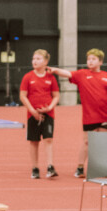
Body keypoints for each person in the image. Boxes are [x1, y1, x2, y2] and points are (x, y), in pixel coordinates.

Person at [61, 48, 107, 179]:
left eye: (93, 59)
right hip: (89, 116)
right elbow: (67, 73)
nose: (90, 61)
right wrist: (53, 70)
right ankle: (80, 168)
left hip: (105, 115)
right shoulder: (82, 74)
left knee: (103, 142)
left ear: (100, 62)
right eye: (88, 59)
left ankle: (103, 168)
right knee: (87, 142)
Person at [20, 49, 61, 179]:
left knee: (48, 139)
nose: (35, 61)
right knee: (34, 141)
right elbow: (23, 96)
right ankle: (35, 168)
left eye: (38, 59)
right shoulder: (28, 77)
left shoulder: (51, 78)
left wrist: (49, 107)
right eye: (33, 59)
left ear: (45, 62)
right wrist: (33, 111)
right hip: (33, 114)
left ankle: (50, 166)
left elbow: (56, 96)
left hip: (48, 114)